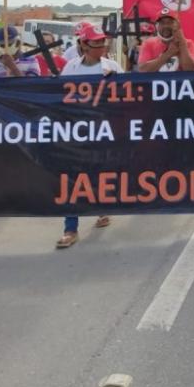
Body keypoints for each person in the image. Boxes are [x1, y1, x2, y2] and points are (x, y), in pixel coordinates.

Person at [55, 23, 120, 248]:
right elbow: (60, 98)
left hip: (103, 131)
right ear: (83, 44)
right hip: (76, 131)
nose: (101, 46)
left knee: (100, 173)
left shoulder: (111, 67)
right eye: (96, 43)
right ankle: (70, 228)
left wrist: (115, 83)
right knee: (73, 177)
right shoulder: (71, 69)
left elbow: (128, 96)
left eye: (103, 42)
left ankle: (102, 209)